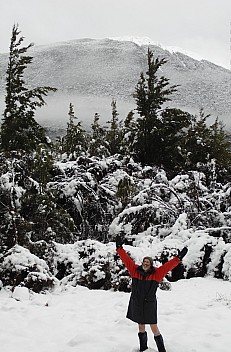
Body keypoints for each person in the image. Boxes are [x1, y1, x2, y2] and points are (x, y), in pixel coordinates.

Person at [116, 235, 188, 352]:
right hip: (137, 302)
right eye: (144, 261)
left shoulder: (157, 274)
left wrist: (178, 258)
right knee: (141, 326)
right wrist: (119, 248)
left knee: (154, 327)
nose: (145, 263)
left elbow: (168, 266)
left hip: (149, 304)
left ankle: (162, 350)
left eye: (148, 262)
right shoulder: (135, 271)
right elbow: (126, 260)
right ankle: (143, 349)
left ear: (151, 264)